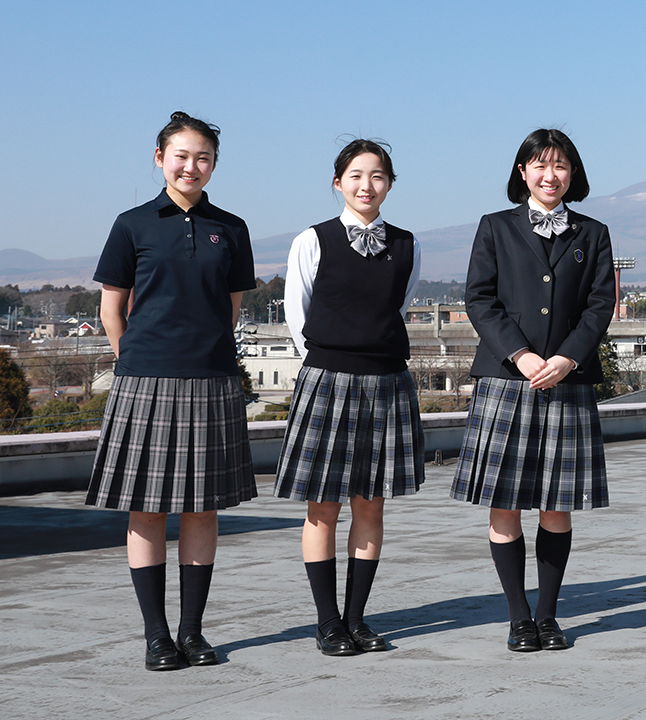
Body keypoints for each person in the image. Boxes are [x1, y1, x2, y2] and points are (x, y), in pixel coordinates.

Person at [86, 111, 257, 671]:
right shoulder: (132, 224)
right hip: (145, 379)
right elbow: (112, 307)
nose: (192, 165)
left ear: (214, 165)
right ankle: (156, 635)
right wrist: (132, 359)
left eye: (203, 157)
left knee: (204, 510)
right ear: (159, 158)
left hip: (211, 378)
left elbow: (230, 310)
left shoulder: (230, 228)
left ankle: (193, 632)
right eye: (181, 155)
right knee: (148, 510)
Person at [451, 129, 615, 652]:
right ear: (522, 172)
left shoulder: (592, 232)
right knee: (505, 505)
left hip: (567, 382)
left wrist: (568, 357)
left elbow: (599, 304)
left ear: (574, 173)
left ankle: (548, 615)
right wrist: (520, 355)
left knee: (555, 505)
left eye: (561, 166)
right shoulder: (495, 228)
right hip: (506, 380)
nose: (550, 175)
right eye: (539, 165)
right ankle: (518, 617)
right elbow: (479, 300)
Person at [274, 138, 423, 657]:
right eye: (356, 175)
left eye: (378, 176)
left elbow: (397, 308)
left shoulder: (407, 244)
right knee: (323, 509)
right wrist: (330, 364)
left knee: (371, 506)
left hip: (387, 381)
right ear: (338, 183)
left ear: (390, 184)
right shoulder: (311, 240)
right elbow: (298, 314)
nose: (367, 185)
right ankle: (327, 623)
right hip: (328, 380)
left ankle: (357, 619)